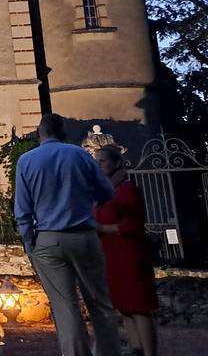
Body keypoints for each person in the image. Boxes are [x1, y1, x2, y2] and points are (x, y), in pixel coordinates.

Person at [14, 113, 121, 356]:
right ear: (64, 133)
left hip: (48, 238)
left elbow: (22, 210)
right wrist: (83, 200)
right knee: (100, 304)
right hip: (83, 234)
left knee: (65, 308)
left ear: (40, 133)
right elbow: (106, 193)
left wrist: (30, 244)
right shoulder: (80, 155)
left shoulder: (26, 161)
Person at [94, 145, 159, 356]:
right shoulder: (107, 192)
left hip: (129, 255)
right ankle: (135, 349)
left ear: (116, 163)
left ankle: (148, 352)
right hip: (113, 256)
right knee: (126, 308)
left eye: (102, 161)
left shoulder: (127, 190)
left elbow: (133, 224)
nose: (98, 165)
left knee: (139, 308)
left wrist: (102, 228)